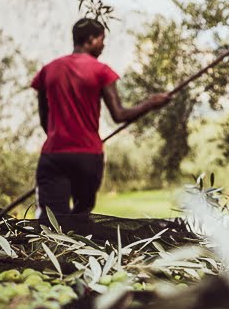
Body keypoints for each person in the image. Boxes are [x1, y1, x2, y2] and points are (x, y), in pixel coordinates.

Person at [31, 18, 170, 220]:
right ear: (91, 39)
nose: (103, 45)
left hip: (55, 154)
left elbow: (44, 118)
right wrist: (152, 102)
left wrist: (60, 136)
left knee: (51, 221)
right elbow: (119, 115)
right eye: (102, 39)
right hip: (88, 156)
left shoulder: (48, 70)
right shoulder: (101, 71)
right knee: (80, 220)